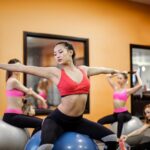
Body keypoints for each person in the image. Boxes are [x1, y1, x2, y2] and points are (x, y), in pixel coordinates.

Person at [0, 42, 120, 150]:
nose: (57, 55)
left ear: (70, 52)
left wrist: (114, 70)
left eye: (60, 52)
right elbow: (23, 68)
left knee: (112, 139)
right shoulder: (55, 73)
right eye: (55, 54)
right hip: (57, 120)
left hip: (78, 121)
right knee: (46, 147)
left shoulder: (83, 70)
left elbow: (101, 69)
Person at [2, 58, 47, 136]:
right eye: (17, 66)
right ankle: (31, 145)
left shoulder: (16, 81)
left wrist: (26, 96)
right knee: (41, 123)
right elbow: (29, 91)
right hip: (12, 116)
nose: (19, 68)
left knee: (47, 115)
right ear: (11, 68)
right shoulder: (13, 81)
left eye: (20, 66)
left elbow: (22, 99)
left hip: (20, 113)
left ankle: (31, 143)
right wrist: (41, 99)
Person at [97, 71, 142, 140]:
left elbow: (140, 85)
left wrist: (137, 74)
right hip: (115, 114)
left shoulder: (128, 91)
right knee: (100, 121)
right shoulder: (115, 88)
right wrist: (117, 73)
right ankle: (101, 137)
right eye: (118, 78)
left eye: (120, 78)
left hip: (125, 114)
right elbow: (108, 77)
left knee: (120, 116)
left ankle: (118, 138)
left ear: (125, 80)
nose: (118, 80)